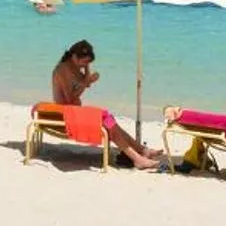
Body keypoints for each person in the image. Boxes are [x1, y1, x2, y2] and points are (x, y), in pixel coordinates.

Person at [51, 40, 164, 169]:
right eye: (85, 62)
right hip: (66, 114)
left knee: (110, 120)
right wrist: (86, 82)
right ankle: (138, 159)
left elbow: (84, 84)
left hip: (74, 112)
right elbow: (70, 98)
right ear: (74, 57)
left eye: (88, 62)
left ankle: (142, 150)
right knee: (107, 123)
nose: (85, 65)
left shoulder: (75, 68)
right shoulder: (63, 70)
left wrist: (87, 75)